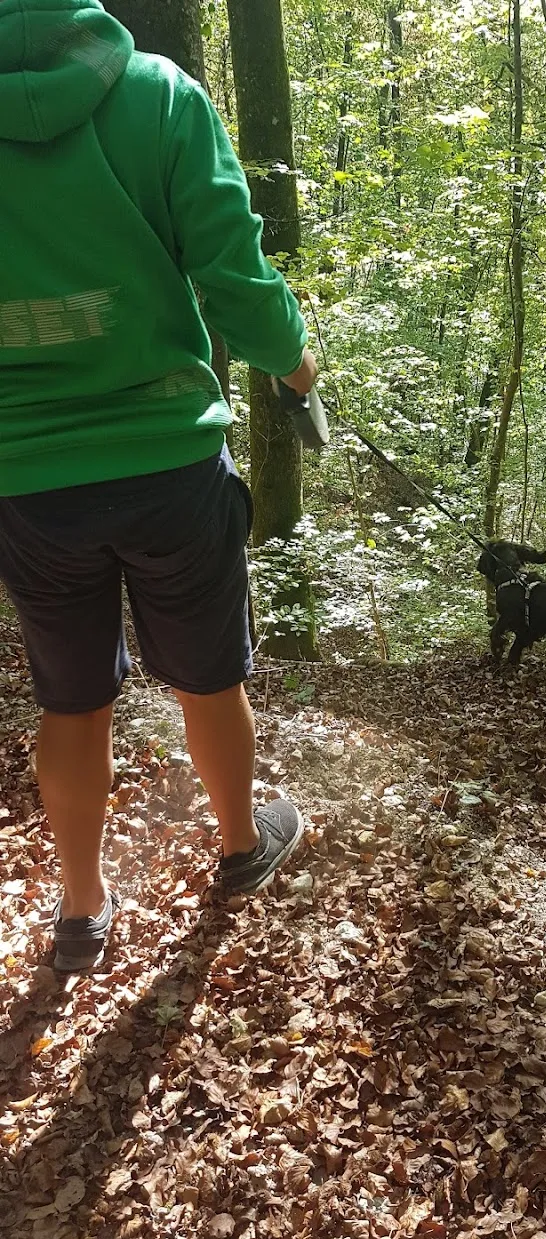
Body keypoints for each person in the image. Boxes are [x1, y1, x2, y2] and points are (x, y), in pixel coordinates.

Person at [0, 0, 316, 974]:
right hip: (168, 459)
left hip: (28, 478)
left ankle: (82, 911)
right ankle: (237, 845)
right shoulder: (160, 101)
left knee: (71, 699)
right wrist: (294, 366)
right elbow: (233, 274)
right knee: (209, 675)